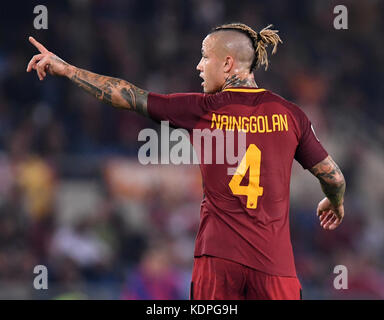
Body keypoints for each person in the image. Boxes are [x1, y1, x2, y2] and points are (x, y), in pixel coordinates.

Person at [26, 23, 346, 300]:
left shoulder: (202, 108)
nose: (198, 65)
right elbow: (333, 178)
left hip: (218, 262)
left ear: (228, 63)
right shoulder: (291, 115)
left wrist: (66, 69)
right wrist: (334, 202)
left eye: (205, 56)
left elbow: (128, 95)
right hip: (276, 269)